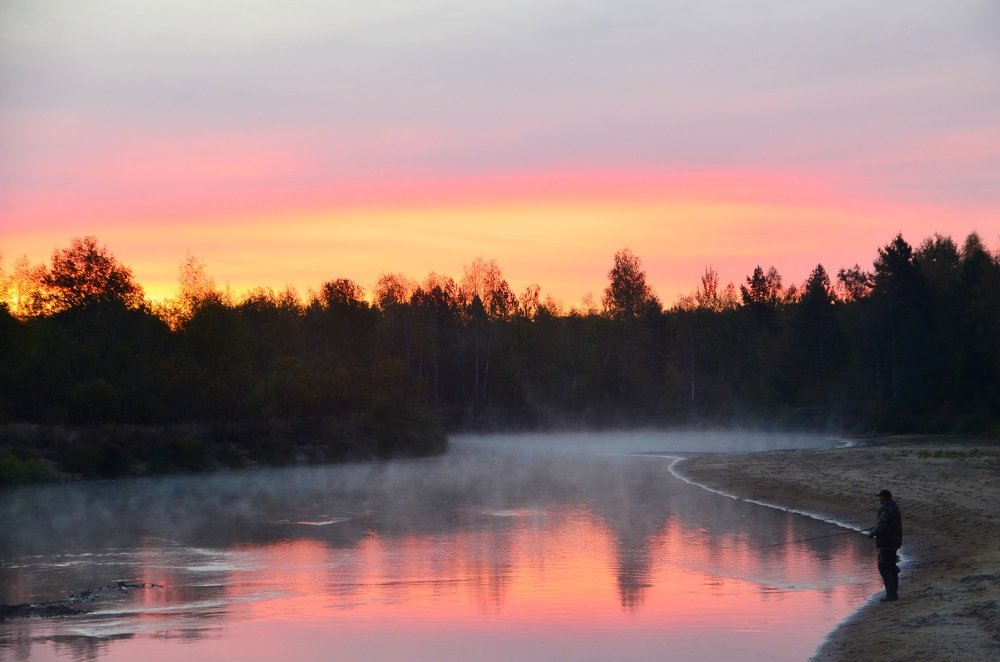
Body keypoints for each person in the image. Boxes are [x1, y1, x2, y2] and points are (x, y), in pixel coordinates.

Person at [867, 488, 903, 602]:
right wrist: (874, 529)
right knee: (891, 566)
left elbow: (882, 525)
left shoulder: (885, 509)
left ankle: (891, 595)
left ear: (884, 498)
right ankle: (893, 593)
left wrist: (872, 533)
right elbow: (886, 524)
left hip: (887, 542)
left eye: (880, 497)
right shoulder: (894, 507)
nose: (879, 500)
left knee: (884, 567)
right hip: (895, 541)